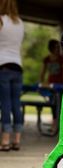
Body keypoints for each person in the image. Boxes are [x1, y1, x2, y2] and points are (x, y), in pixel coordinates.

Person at [0, 0, 24, 151]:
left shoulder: (1, 20)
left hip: (3, 66)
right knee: (16, 103)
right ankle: (17, 140)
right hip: (17, 66)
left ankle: (5, 141)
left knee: (6, 103)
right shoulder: (20, 23)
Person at [40, 39, 63, 134]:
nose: (58, 49)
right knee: (54, 105)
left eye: (59, 47)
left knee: (61, 106)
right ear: (51, 48)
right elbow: (42, 72)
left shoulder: (62, 59)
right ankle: (54, 125)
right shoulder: (46, 59)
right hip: (51, 86)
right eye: (56, 47)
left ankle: (61, 127)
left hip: (60, 86)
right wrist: (41, 82)